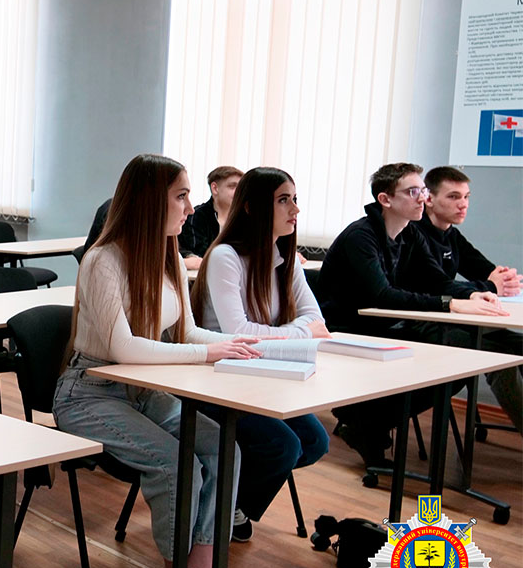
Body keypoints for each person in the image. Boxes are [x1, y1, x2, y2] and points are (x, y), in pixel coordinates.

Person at [53, 153, 259, 568]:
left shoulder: (168, 255)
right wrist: (209, 353)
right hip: (89, 391)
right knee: (175, 462)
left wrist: (247, 344)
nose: (191, 207)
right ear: (150, 201)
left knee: (224, 451)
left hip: (142, 391)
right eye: (181, 196)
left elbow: (185, 331)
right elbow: (124, 348)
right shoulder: (103, 260)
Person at [317, 162, 509, 465]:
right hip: (349, 328)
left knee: (462, 356)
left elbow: (438, 280)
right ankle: (366, 421)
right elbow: (382, 296)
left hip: (385, 324)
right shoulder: (361, 236)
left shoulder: (409, 233)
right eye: (412, 192)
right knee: (455, 349)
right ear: (385, 199)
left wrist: (472, 294)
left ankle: (367, 421)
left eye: (422, 190)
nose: (422, 198)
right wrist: (449, 304)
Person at [190, 167, 330, 542]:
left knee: (315, 442)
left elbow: (317, 318)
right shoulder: (225, 256)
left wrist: (292, 333)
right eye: (284, 200)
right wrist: (300, 333)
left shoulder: (285, 258)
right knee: (282, 446)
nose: (295, 210)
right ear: (252, 208)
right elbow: (239, 333)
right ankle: (222, 506)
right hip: (218, 378)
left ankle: (229, 497)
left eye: (295, 199)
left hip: (264, 373)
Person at [409, 166, 522, 431]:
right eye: (453, 197)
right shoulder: (414, 233)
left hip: (455, 317)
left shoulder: (452, 235)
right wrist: (490, 285)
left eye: (466, 197)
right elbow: (438, 284)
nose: (463, 204)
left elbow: (485, 270)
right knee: (499, 358)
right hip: (422, 322)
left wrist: (503, 278)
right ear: (429, 199)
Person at [178, 165, 242, 268]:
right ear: (215, 188)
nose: (239, 192)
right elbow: (200, 255)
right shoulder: (196, 216)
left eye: (240, 187)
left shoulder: (243, 218)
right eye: (232, 186)